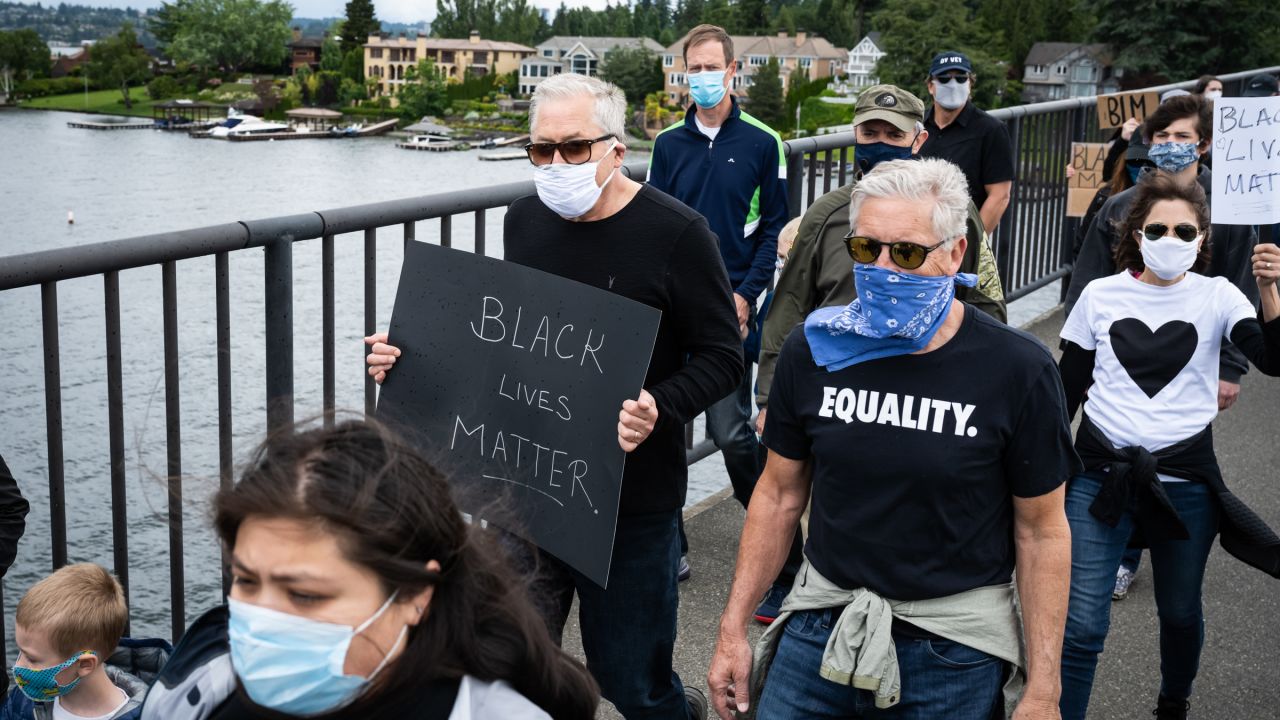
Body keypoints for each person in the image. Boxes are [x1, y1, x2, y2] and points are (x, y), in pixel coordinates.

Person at [366, 72, 743, 719]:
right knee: (507, 661)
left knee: (630, 682)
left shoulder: (679, 236)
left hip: (631, 500)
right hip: (525, 490)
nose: (556, 163)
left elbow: (722, 357)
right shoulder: (524, 221)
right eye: (541, 149)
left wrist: (662, 405)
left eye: (574, 148)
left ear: (616, 151)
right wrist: (408, 358)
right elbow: (513, 341)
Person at [707, 158, 1078, 720]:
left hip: (951, 647)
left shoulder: (1016, 370)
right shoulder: (816, 349)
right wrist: (733, 628)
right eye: (866, 250)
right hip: (822, 620)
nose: (883, 268)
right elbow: (779, 494)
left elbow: (1042, 530)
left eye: (906, 253)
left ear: (956, 254)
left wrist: (1043, 689)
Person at [141, 420, 602, 720]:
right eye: (245, 580)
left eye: (304, 595)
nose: (261, 619)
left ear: (416, 595)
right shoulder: (202, 687)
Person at [1057, 174, 1280, 720]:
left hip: (1185, 480)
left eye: (1185, 229)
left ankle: (1172, 702)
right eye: (1157, 227)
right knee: (1082, 622)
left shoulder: (1220, 295)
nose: (1171, 237)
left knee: (1179, 611)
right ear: (1136, 233)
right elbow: (1066, 391)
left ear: (1203, 238)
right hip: (1097, 475)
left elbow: (1276, 360)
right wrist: (1032, 470)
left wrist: (1271, 290)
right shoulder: (1100, 295)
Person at [756, 84, 1007, 434]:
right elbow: (789, 306)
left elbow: (983, 297)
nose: (881, 144)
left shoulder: (953, 211)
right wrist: (769, 399)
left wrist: (989, 382)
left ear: (918, 141)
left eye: (894, 134)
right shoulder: (826, 215)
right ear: (855, 135)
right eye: (870, 133)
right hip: (839, 385)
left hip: (927, 388)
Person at [647, 24, 790, 597]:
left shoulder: (762, 142)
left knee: (732, 433)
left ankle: (770, 535)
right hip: (669, 305)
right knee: (665, 428)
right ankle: (669, 543)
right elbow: (654, 221)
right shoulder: (666, 145)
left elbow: (775, 228)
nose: (702, 77)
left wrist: (744, 296)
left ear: (733, 71)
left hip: (731, 307)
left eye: (713, 67)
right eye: (694, 68)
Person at [1065, 95, 1259, 412]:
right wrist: (1080, 359)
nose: (1171, 144)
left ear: (1203, 144)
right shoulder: (1121, 205)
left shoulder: (1228, 210)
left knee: (1179, 439)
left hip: (1194, 358)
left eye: (1182, 136)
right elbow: (1088, 277)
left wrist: (1230, 366)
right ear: (1149, 142)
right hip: (1118, 355)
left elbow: (1242, 287)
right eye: (1162, 136)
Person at [5, 563, 170, 720]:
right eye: (21, 652)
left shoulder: (150, 715)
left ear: (84, 664)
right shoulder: (26, 700)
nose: (18, 666)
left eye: (32, 659)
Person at [918, 51, 1014, 233]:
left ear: (970, 84)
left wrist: (972, 245)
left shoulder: (991, 130)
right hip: (914, 234)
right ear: (931, 85)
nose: (953, 85)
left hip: (959, 236)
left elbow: (1000, 195)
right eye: (944, 79)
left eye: (961, 78)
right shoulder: (915, 126)